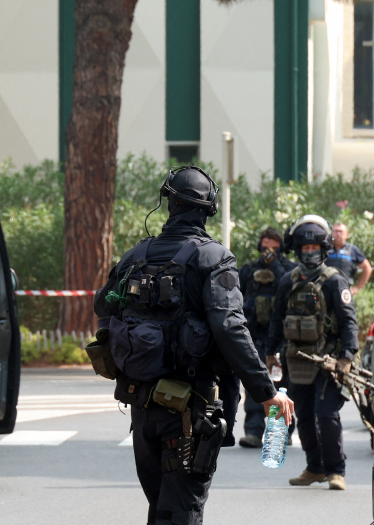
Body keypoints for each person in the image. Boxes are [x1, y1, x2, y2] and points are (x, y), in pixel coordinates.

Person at [93, 166, 293, 525]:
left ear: (168, 203)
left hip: (142, 408)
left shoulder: (135, 255)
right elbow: (230, 327)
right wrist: (267, 392)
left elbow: (103, 307)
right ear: (208, 209)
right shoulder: (214, 258)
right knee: (182, 512)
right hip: (190, 411)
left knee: (161, 509)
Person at [268, 215, 359, 490]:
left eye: (314, 250)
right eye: (305, 250)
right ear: (298, 251)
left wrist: (346, 357)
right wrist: (270, 353)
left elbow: (348, 321)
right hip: (297, 361)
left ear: (323, 250)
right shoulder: (287, 281)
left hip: (329, 362)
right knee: (303, 414)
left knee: (326, 414)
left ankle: (335, 471)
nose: (309, 254)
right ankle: (315, 467)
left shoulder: (335, 281)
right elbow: (276, 319)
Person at [226, 227, 296, 448]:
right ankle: (254, 432)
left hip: (281, 338)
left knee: (283, 386)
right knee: (255, 384)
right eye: (265, 244)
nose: (269, 249)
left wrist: (274, 265)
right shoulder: (248, 270)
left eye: (274, 245)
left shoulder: (289, 270)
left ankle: (282, 432)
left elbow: (290, 288)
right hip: (254, 335)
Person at [326, 222, 372, 295]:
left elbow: (367, 268)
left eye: (341, 231)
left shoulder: (352, 250)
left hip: (344, 291)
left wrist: (357, 288)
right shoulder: (325, 249)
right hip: (326, 289)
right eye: (335, 231)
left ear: (347, 234)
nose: (338, 234)